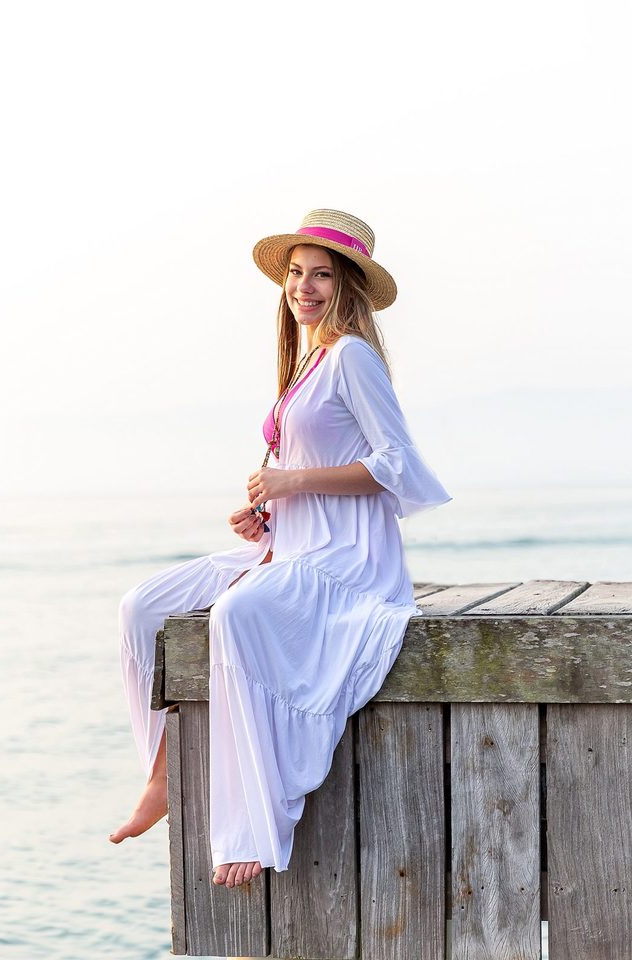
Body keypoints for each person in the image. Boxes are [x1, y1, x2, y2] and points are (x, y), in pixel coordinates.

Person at [109, 208, 452, 889]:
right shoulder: (306, 361)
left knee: (236, 616)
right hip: (287, 547)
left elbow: (397, 465)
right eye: (297, 273)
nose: (304, 287)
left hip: (346, 559)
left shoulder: (352, 355)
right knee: (141, 608)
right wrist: (267, 515)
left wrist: (294, 481)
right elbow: (308, 466)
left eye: (321, 275)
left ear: (347, 285)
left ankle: (253, 823)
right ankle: (162, 773)